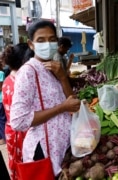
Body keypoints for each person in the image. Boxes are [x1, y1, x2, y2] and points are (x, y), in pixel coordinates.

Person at [10, 20, 81, 178]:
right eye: (41, 40)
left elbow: (73, 103)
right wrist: (61, 107)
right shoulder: (28, 72)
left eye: (52, 39)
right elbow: (18, 121)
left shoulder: (54, 68)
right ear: (31, 44)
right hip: (44, 150)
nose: (47, 44)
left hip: (61, 146)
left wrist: (63, 77)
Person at [1, 43, 33, 179]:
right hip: (23, 133)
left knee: (20, 169)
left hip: (11, 132)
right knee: (30, 169)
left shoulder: (8, 79)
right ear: (24, 61)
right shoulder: (22, 82)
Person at [0, 62, 6, 145]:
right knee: (1, 120)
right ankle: (2, 137)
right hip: (0, 100)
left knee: (1, 119)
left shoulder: (1, 73)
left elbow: (1, 86)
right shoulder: (1, 73)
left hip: (0, 100)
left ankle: (3, 138)